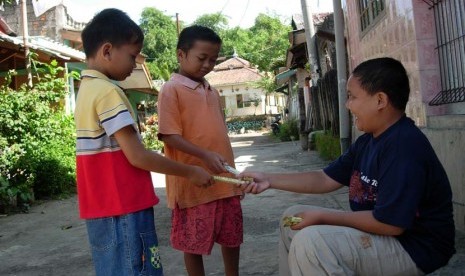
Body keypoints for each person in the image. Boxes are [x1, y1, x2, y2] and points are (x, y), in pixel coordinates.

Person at [239, 57, 456, 275]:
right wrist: (268, 179)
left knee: (312, 242)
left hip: (415, 248)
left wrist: (322, 217)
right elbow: (325, 178)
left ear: (380, 100)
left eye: (352, 97)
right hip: (384, 235)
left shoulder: (404, 146)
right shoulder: (368, 141)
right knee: (293, 217)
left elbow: (391, 224)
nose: (347, 105)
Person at [75, 9, 212, 276]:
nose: (135, 64)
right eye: (132, 56)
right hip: (124, 207)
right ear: (107, 51)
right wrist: (190, 171)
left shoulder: (87, 90)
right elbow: (137, 156)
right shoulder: (108, 93)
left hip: (101, 211)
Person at [157, 25, 244, 276]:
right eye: (202, 58)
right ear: (181, 55)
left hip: (224, 179)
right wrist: (204, 156)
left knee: (232, 237)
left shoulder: (212, 90)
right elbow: (169, 136)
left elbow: (219, 136)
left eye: (213, 60)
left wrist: (234, 176)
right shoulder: (170, 89)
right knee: (193, 243)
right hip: (194, 184)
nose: (207, 65)